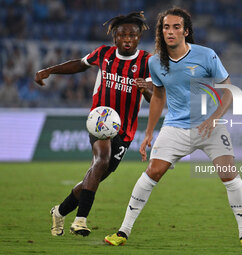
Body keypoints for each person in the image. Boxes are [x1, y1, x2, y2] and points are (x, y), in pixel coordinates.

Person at [104, 8, 242, 248]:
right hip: (175, 126)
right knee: (152, 173)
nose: (171, 31)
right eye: (166, 27)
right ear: (160, 31)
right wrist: (147, 133)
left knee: (228, 174)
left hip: (210, 127)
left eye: (176, 27)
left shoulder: (206, 56)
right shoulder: (155, 62)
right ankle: (123, 231)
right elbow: (157, 97)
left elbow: (228, 90)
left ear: (186, 31)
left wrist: (215, 117)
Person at [34, 12, 153, 237]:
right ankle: (80, 220)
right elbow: (79, 64)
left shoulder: (147, 62)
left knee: (97, 174)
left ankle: (59, 211)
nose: (127, 38)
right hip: (101, 120)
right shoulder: (104, 54)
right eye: (122, 34)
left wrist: (146, 89)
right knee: (101, 160)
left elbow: (154, 96)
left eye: (132, 35)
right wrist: (49, 70)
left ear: (138, 38)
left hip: (125, 130)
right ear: (115, 38)